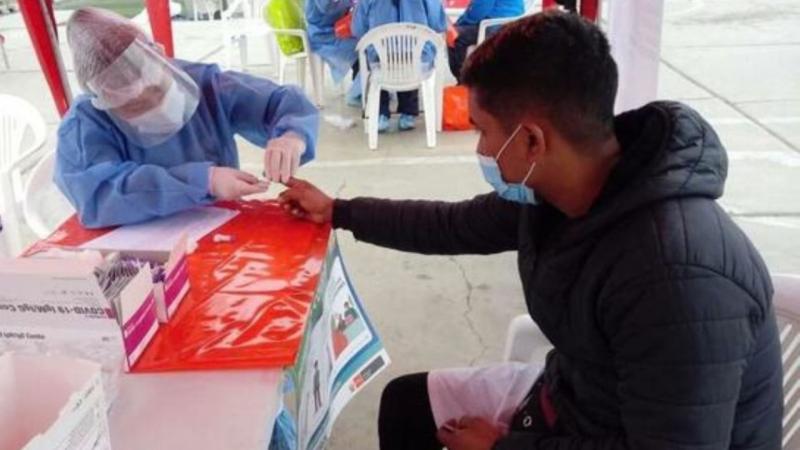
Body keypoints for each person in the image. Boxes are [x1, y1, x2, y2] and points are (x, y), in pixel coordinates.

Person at [278, 11, 783, 450]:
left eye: (483, 130)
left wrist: (506, 447)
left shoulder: (675, 276)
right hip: (577, 396)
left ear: (533, 141)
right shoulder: (564, 191)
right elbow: (452, 225)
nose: (481, 150)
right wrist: (339, 210)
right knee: (407, 405)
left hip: (622, 431)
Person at [55, 7, 319, 228]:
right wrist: (204, 181)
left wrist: (292, 135)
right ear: (104, 100)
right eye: (135, 105)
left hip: (218, 226)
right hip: (135, 247)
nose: (155, 106)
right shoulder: (85, 125)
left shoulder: (207, 85)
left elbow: (281, 102)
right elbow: (97, 196)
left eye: (158, 89)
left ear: (160, 58)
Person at [352, 0, 446, 132]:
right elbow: (438, 24)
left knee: (377, 57)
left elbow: (358, 29)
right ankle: (408, 113)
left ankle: (381, 113)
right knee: (414, 54)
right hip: (417, 60)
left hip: (381, 60)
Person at [448, 0, 523, 82]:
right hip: (512, 25)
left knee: (455, 37)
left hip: (494, 26)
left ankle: (464, 81)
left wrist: (458, 24)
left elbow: (479, 11)